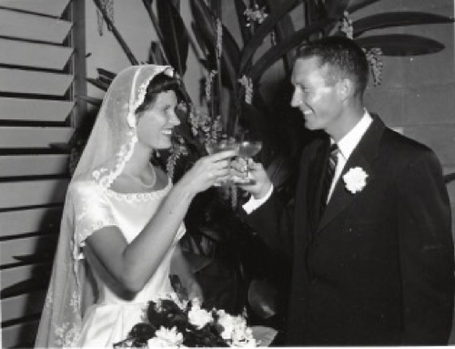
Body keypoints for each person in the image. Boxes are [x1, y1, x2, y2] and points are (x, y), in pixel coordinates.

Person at [238, 36, 455, 345]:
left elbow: (431, 293)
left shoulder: (409, 163)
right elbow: (305, 248)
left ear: (344, 89)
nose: (293, 101)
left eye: (305, 89)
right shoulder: (314, 157)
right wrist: (262, 194)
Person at [34, 64, 237, 348]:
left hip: (171, 327)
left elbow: (172, 252)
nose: (175, 121)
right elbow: (130, 276)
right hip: (119, 332)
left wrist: (188, 280)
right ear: (130, 114)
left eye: (175, 110)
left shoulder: (163, 180)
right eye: (164, 110)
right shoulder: (89, 191)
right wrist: (186, 188)